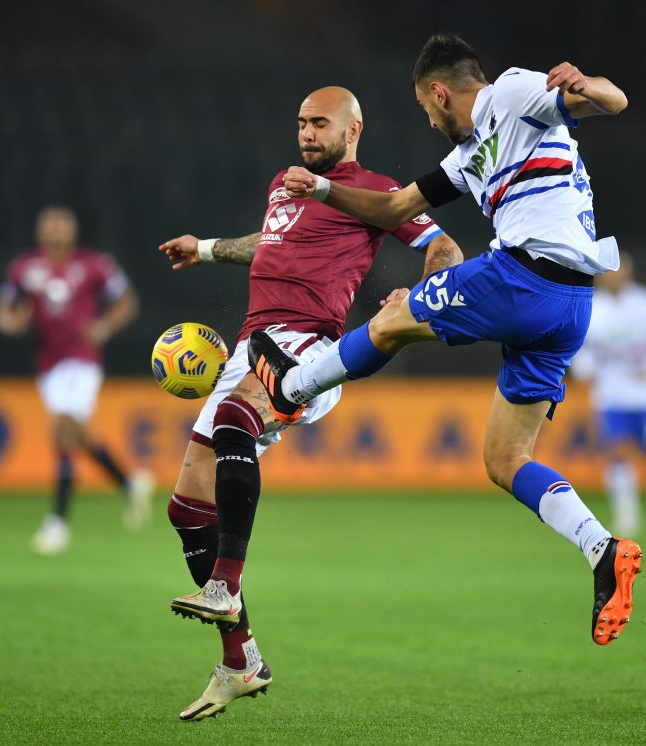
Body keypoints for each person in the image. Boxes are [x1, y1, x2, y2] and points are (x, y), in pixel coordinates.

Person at [246, 34, 642, 649]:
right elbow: (395, 206)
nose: (430, 124)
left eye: (428, 112)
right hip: (571, 304)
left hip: (525, 276)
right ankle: (603, 550)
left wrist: (587, 86)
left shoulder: (511, 91)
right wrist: (322, 189)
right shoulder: (469, 157)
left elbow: (613, 103)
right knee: (505, 462)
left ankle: (290, 387)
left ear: (438, 91)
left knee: (391, 321)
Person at [158, 85, 462, 721]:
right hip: (249, 342)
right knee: (188, 506)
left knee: (241, 416)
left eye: (318, 124)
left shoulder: (374, 192)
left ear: (353, 129)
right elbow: (270, 244)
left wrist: (419, 292)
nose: (305, 134)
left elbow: (444, 248)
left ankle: (225, 584)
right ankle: (240, 660)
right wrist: (208, 249)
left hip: (307, 346)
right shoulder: (287, 184)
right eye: (300, 123)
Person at [0, 206, 152, 555]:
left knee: (62, 428)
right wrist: (10, 322)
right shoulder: (24, 268)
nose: (54, 231)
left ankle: (58, 523)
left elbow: (126, 301)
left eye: (61, 225)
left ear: (73, 231)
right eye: (48, 224)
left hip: (82, 361)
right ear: (39, 231)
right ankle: (129, 483)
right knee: (76, 432)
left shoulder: (95, 264)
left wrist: (104, 326)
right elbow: (4, 309)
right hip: (48, 364)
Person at [570, 253, 646, 535]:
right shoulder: (592, 308)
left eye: (617, 271)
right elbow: (578, 347)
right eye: (607, 272)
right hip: (610, 395)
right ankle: (627, 513)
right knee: (616, 452)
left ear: (628, 274)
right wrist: (584, 368)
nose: (612, 276)